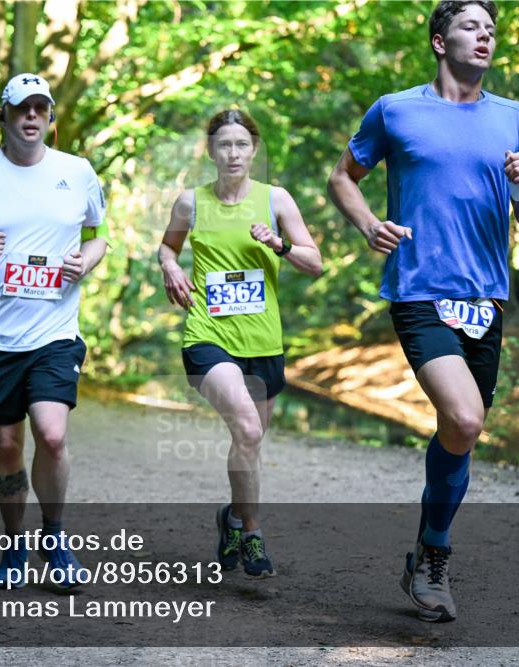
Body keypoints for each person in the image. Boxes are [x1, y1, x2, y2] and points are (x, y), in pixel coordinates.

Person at [327, 0, 519, 621]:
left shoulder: (513, 118)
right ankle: (436, 556)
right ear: (438, 39)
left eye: (492, 30)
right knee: (466, 418)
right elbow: (343, 177)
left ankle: (425, 554)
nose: (485, 37)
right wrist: (369, 222)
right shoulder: (396, 110)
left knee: (461, 431)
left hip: (486, 296)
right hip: (420, 288)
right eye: (472, 26)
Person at [0, 73, 108, 589]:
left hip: (54, 332)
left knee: (51, 436)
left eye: (39, 108)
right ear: (2, 118)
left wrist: (86, 261)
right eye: (20, 108)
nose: (30, 116)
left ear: (51, 121)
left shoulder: (77, 173)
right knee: (8, 446)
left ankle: (54, 538)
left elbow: (100, 237)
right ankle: (14, 545)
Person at [158, 110, 322, 578]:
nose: (233, 153)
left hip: (263, 342)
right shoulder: (191, 203)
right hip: (208, 335)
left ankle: (230, 517)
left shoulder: (277, 200)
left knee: (248, 441)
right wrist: (170, 265)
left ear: (254, 150)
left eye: (241, 145)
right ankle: (252, 534)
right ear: (210, 151)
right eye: (224, 145)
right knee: (248, 431)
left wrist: (279, 245)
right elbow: (168, 247)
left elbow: (315, 263)